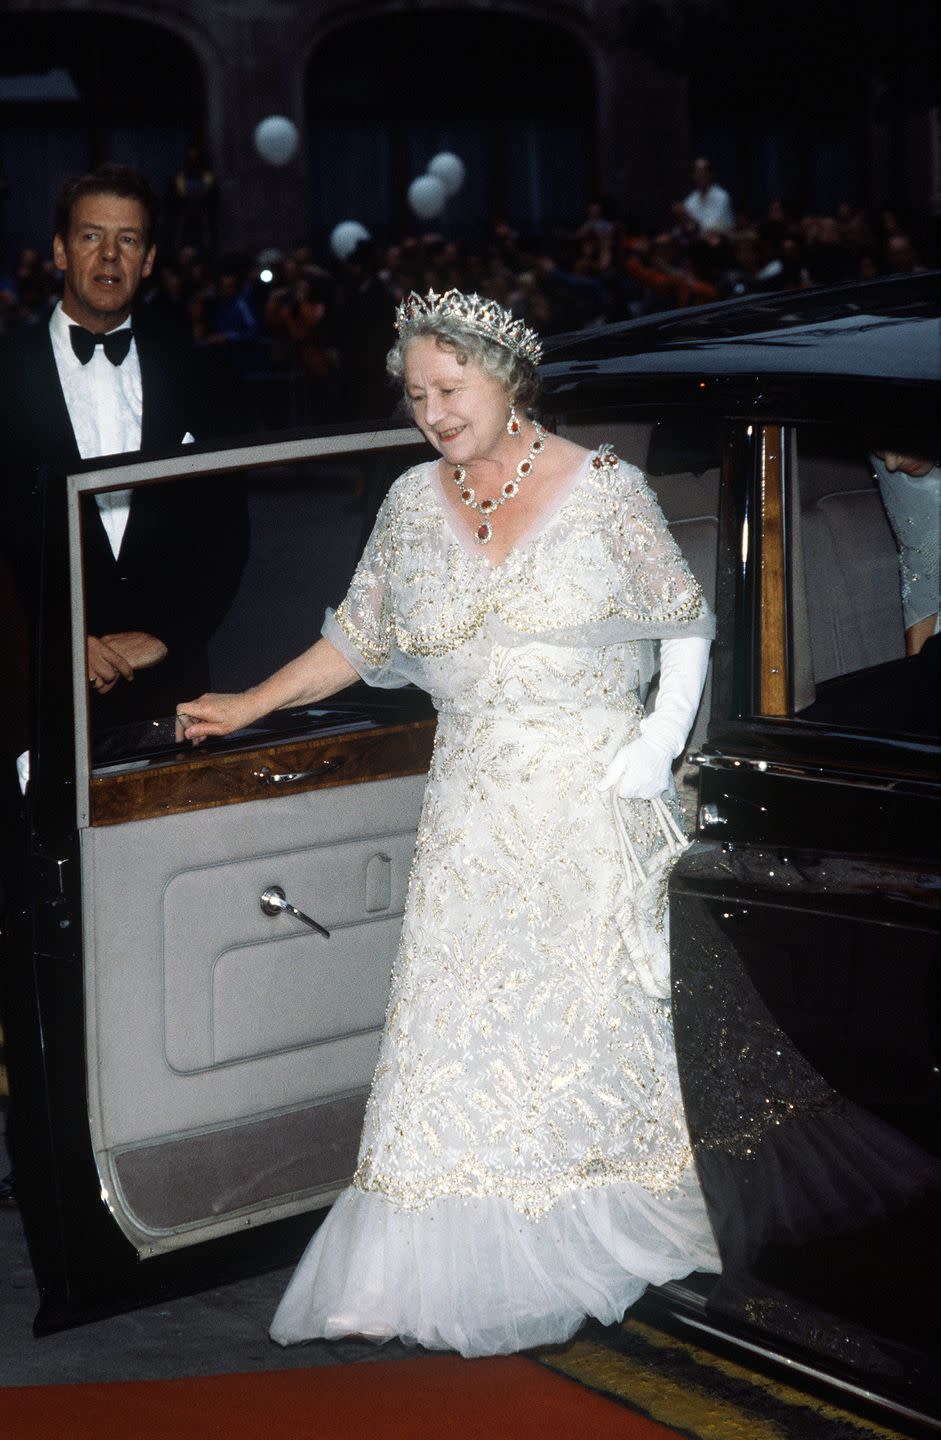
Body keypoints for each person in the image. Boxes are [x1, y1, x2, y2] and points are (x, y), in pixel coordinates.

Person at [178, 289, 720, 1356]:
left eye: (448, 388)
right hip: (470, 810)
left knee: (578, 1040)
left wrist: (655, 743)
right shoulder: (406, 504)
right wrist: (249, 701)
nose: (430, 410)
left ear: (506, 379)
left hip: (587, 795)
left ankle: (595, 1226)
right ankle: (437, 1263)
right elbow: (353, 638)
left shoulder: (604, 488)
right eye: (415, 394)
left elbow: (682, 621)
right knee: (463, 1045)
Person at [0, 163, 248, 749]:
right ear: (60, 251)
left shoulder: (196, 376)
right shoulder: (6, 375)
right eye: (91, 236)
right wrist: (55, 639)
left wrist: (168, 636)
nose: (109, 257)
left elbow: (226, 531)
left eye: (128, 240)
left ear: (150, 259)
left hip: (172, 692)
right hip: (32, 692)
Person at [871, 448, 940, 655]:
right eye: (880, 451)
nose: (891, 464)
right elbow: (921, 575)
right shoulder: (906, 490)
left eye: (895, 441)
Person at [682, 157, 735, 237]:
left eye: (703, 172)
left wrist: (689, 217)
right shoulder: (690, 199)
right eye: (697, 172)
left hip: (721, 243)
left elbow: (712, 228)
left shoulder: (722, 197)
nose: (701, 176)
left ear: (711, 174)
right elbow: (689, 229)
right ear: (693, 176)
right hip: (696, 243)